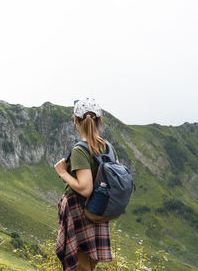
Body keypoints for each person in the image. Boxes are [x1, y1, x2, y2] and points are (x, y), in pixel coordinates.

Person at [54, 98, 115, 271]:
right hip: (99, 211)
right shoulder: (108, 148)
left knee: (80, 266)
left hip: (80, 211)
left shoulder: (80, 150)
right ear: (100, 120)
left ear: (75, 121)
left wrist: (62, 172)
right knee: (89, 263)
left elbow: (85, 188)